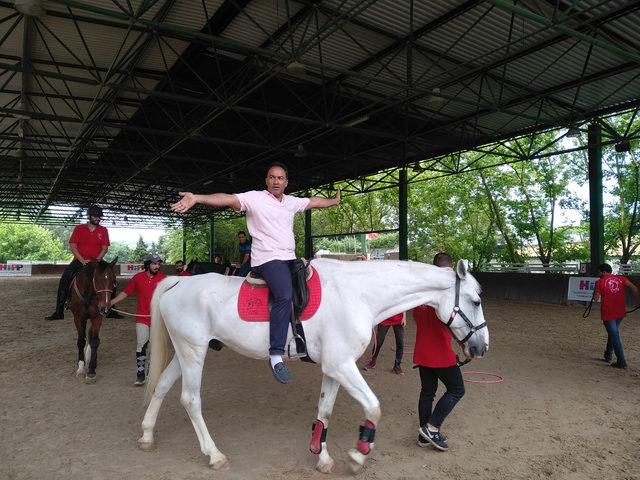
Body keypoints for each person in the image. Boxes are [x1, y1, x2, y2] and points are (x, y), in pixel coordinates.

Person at [171, 162, 340, 384]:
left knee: (309, 284)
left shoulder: (291, 202)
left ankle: (302, 336)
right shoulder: (254, 198)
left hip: (290, 258)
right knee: (284, 295)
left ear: (286, 182)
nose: (276, 181)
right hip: (267, 260)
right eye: (272, 177)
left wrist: (333, 201)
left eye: (280, 178)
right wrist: (197, 198)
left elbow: (314, 202)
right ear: (266, 180)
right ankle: (276, 354)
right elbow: (227, 198)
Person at [413, 252, 466, 451]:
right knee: (457, 389)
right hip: (441, 354)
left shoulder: (421, 295)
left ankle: (424, 437)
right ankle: (432, 428)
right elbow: (454, 324)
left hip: (422, 352)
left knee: (427, 392)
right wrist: (463, 345)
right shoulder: (447, 295)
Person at [109, 254, 167, 385]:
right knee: (141, 344)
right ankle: (140, 374)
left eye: (158, 264)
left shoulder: (164, 279)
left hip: (158, 319)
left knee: (155, 346)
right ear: (148, 265)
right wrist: (110, 302)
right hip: (142, 318)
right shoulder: (138, 278)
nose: (157, 266)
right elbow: (125, 293)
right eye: (154, 263)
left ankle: (151, 373)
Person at [45, 205, 110, 320]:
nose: (98, 218)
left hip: (97, 261)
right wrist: (82, 260)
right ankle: (59, 312)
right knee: (64, 280)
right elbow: (73, 246)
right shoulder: (79, 229)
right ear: (89, 216)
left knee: (108, 279)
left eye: (99, 217)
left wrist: (97, 260)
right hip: (80, 261)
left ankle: (110, 309)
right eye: (95, 216)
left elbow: (104, 247)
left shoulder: (103, 230)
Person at [593, 263, 640, 369]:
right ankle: (608, 354)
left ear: (603, 272)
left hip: (608, 312)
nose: (598, 274)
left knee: (614, 335)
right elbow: (634, 288)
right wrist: (638, 301)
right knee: (612, 332)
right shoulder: (621, 279)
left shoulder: (599, 282)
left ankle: (621, 361)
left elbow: (595, 299)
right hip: (620, 312)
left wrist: (595, 293)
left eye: (599, 272)